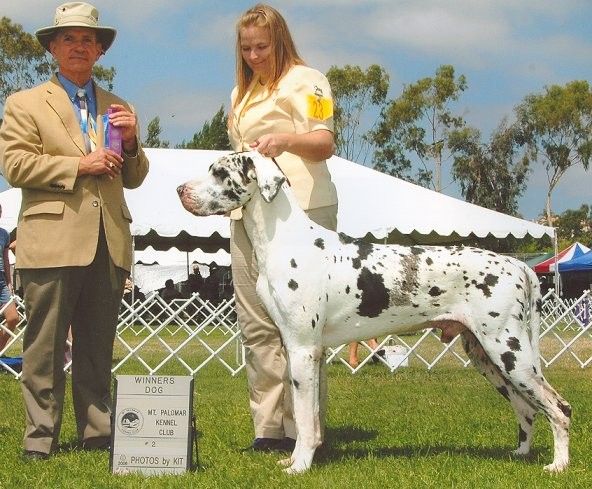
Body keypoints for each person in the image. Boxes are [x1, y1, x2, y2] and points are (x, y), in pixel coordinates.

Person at [0, 2, 149, 460]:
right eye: (69, 38)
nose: (79, 46)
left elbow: (134, 176)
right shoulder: (24, 103)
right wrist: (79, 165)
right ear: (53, 48)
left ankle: (97, 432)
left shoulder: (120, 107)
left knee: (97, 344)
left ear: (100, 50)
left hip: (109, 240)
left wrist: (131, 143)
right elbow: (15, 164)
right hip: (51, 241)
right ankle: (40, 437)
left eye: (88, 39)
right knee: (43, 346)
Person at [228, 4, 337, 452]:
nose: (254, 55)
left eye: (262, 46)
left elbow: (325, 142)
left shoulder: (309, 81)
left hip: (302, 212)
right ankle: (268, 427)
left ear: (280, 41)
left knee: (303, 329)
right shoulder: (241, 92)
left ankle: (304, 430)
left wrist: (285, 140)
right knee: (256, 323)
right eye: (246, 48)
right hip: (248, 218)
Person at [0, 206, 19, 353]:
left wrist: (9, 282)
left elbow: (6, 259)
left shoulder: (4, 234)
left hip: (1, 280)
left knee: (13, 318)